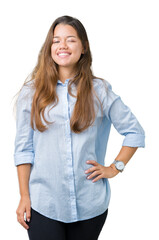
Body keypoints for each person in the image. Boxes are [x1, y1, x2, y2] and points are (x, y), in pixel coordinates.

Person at [13, 15, 145, 240]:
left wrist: (115, 167)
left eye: (71, 40)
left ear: (83, 47)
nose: (62, 45)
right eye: (56, 40)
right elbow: (24, 149)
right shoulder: (31, 93)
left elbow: (135, 132)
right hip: (44, 204)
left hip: (90, 205)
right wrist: (24, 196)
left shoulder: (99, 90)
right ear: (49, 47)